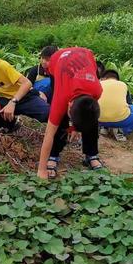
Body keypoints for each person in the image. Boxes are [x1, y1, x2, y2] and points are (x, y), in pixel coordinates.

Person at [37, 47, 103, 179]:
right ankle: (54, 154)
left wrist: (76, 128)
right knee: (59, 118)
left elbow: (88, 110)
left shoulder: (97, 90)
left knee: (90, 113)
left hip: (86, 54)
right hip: (59, 60)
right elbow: (48, 134)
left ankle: (91, 153)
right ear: (69, 104)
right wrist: (41, 170)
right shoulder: (61, 97)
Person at [98, 70, 133, 141]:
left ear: (103, 78)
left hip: (99, 120)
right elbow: (129, 104)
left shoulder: (97, 84)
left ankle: (103, 128)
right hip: (120, 120)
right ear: (117, 79)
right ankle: (121, 130)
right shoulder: (122, 84)